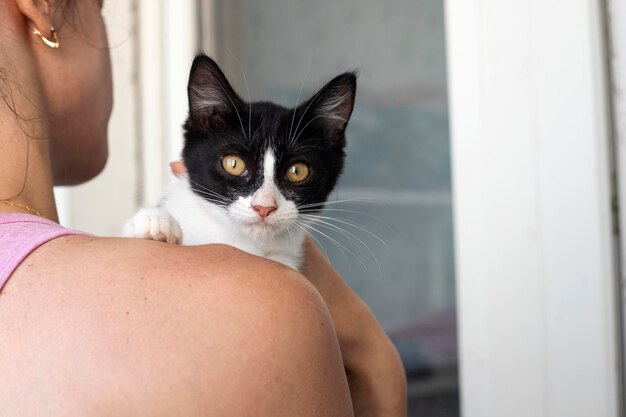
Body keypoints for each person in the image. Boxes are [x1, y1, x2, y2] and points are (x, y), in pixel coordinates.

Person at [0, 0, 406, 416]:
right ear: (41, 8)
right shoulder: (272, 309)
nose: (265, 203)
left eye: (297, 173)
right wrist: (371, 352)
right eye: (102, 7)